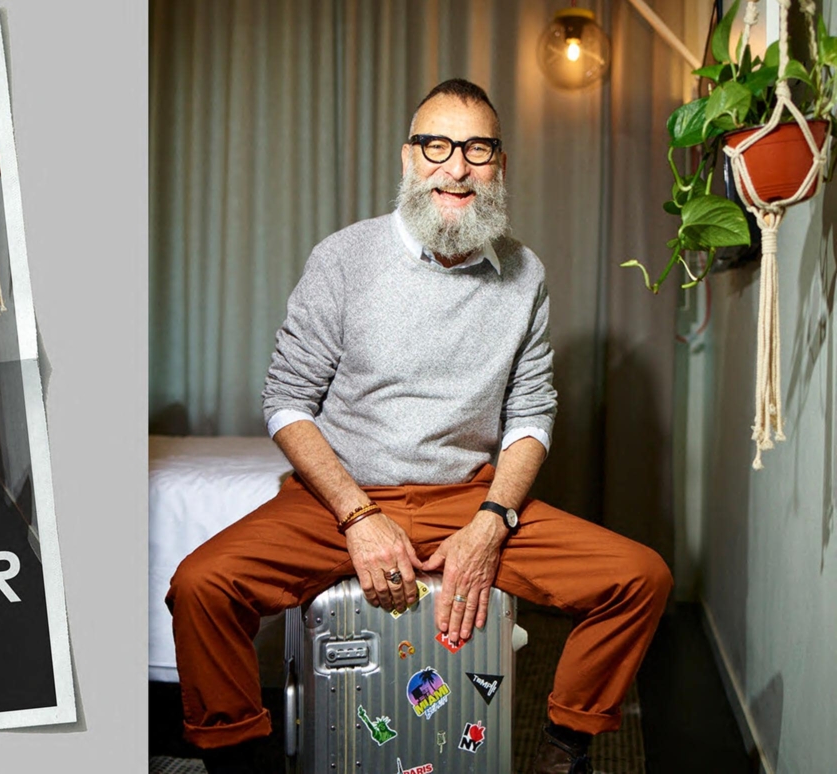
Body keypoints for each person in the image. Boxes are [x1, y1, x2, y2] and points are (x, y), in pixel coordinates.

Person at [166, 80, 671, 774]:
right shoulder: (343, 257)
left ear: (499, 165)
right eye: (437, 145)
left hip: (467, 499)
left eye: (476, 149)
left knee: (638, 577)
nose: (456, 167)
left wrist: (494, 519)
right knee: (202, 585)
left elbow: (530, 413)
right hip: (338, 497)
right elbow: (287, 401)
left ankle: (565, 749)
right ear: (409, 159)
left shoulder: (526, 275)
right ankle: (239, 760)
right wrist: (358, 515)